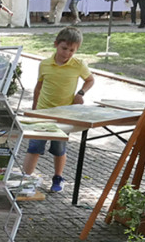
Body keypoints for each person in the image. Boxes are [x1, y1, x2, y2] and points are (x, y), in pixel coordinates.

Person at [21, 27, 95, 193]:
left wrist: (81, 93)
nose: (67, 53)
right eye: (64, 48)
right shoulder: (45, 64)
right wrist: (34, 109)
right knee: (34, 147)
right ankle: (24, 179)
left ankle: (58, 176)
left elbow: (90, 80)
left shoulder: (78, 64)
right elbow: (38, 86)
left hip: (64, 115)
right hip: (43, 113)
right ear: (56, 45)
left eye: (72, 50)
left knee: (59, 149)